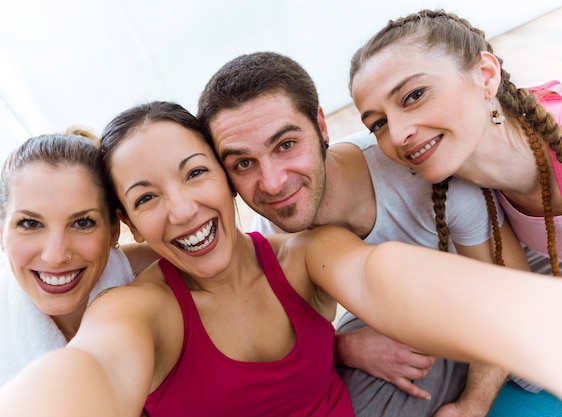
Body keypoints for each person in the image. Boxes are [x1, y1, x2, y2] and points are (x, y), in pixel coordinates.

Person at [0, 101, 562, 417]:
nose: (181, 211)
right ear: (129, 221)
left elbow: (383, 278)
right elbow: (91, 371)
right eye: (147, 197)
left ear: (229, 180)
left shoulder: (303, 257)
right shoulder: (139, 313)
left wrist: (541, 325)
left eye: (195, 173)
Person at [196, 51, 527, 416]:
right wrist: (346, 347)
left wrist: (472, 406)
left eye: (286, 145)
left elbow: (509, 290)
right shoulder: (270, 237)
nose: (273, 183)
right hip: (391, 329)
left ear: (321, 126)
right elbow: (279, 349)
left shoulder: (419, 169)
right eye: (244, 163)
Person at [347, 8, 562, 412]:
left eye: (414, 95)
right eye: (377, 123)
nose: (397, 135)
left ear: (485, 75)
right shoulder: (467, 182)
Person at [0, 129, 159, 417]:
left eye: (81, 223)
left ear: (114, 229)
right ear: (1, 232)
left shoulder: (157, 274)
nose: (55, 256)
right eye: (30, 223)